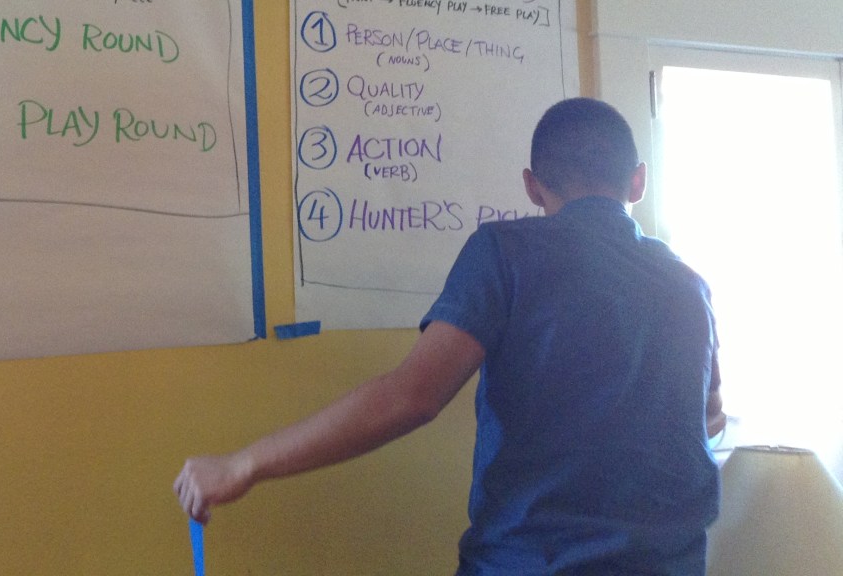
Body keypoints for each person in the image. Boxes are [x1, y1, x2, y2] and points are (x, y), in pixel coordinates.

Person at [174, 97, 725, 575]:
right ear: (638, 180)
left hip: (530, 563)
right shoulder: (689, 284)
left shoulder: (505, 253)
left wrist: (243, 464)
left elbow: (411, 397)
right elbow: (709, 417)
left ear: (532, 187)